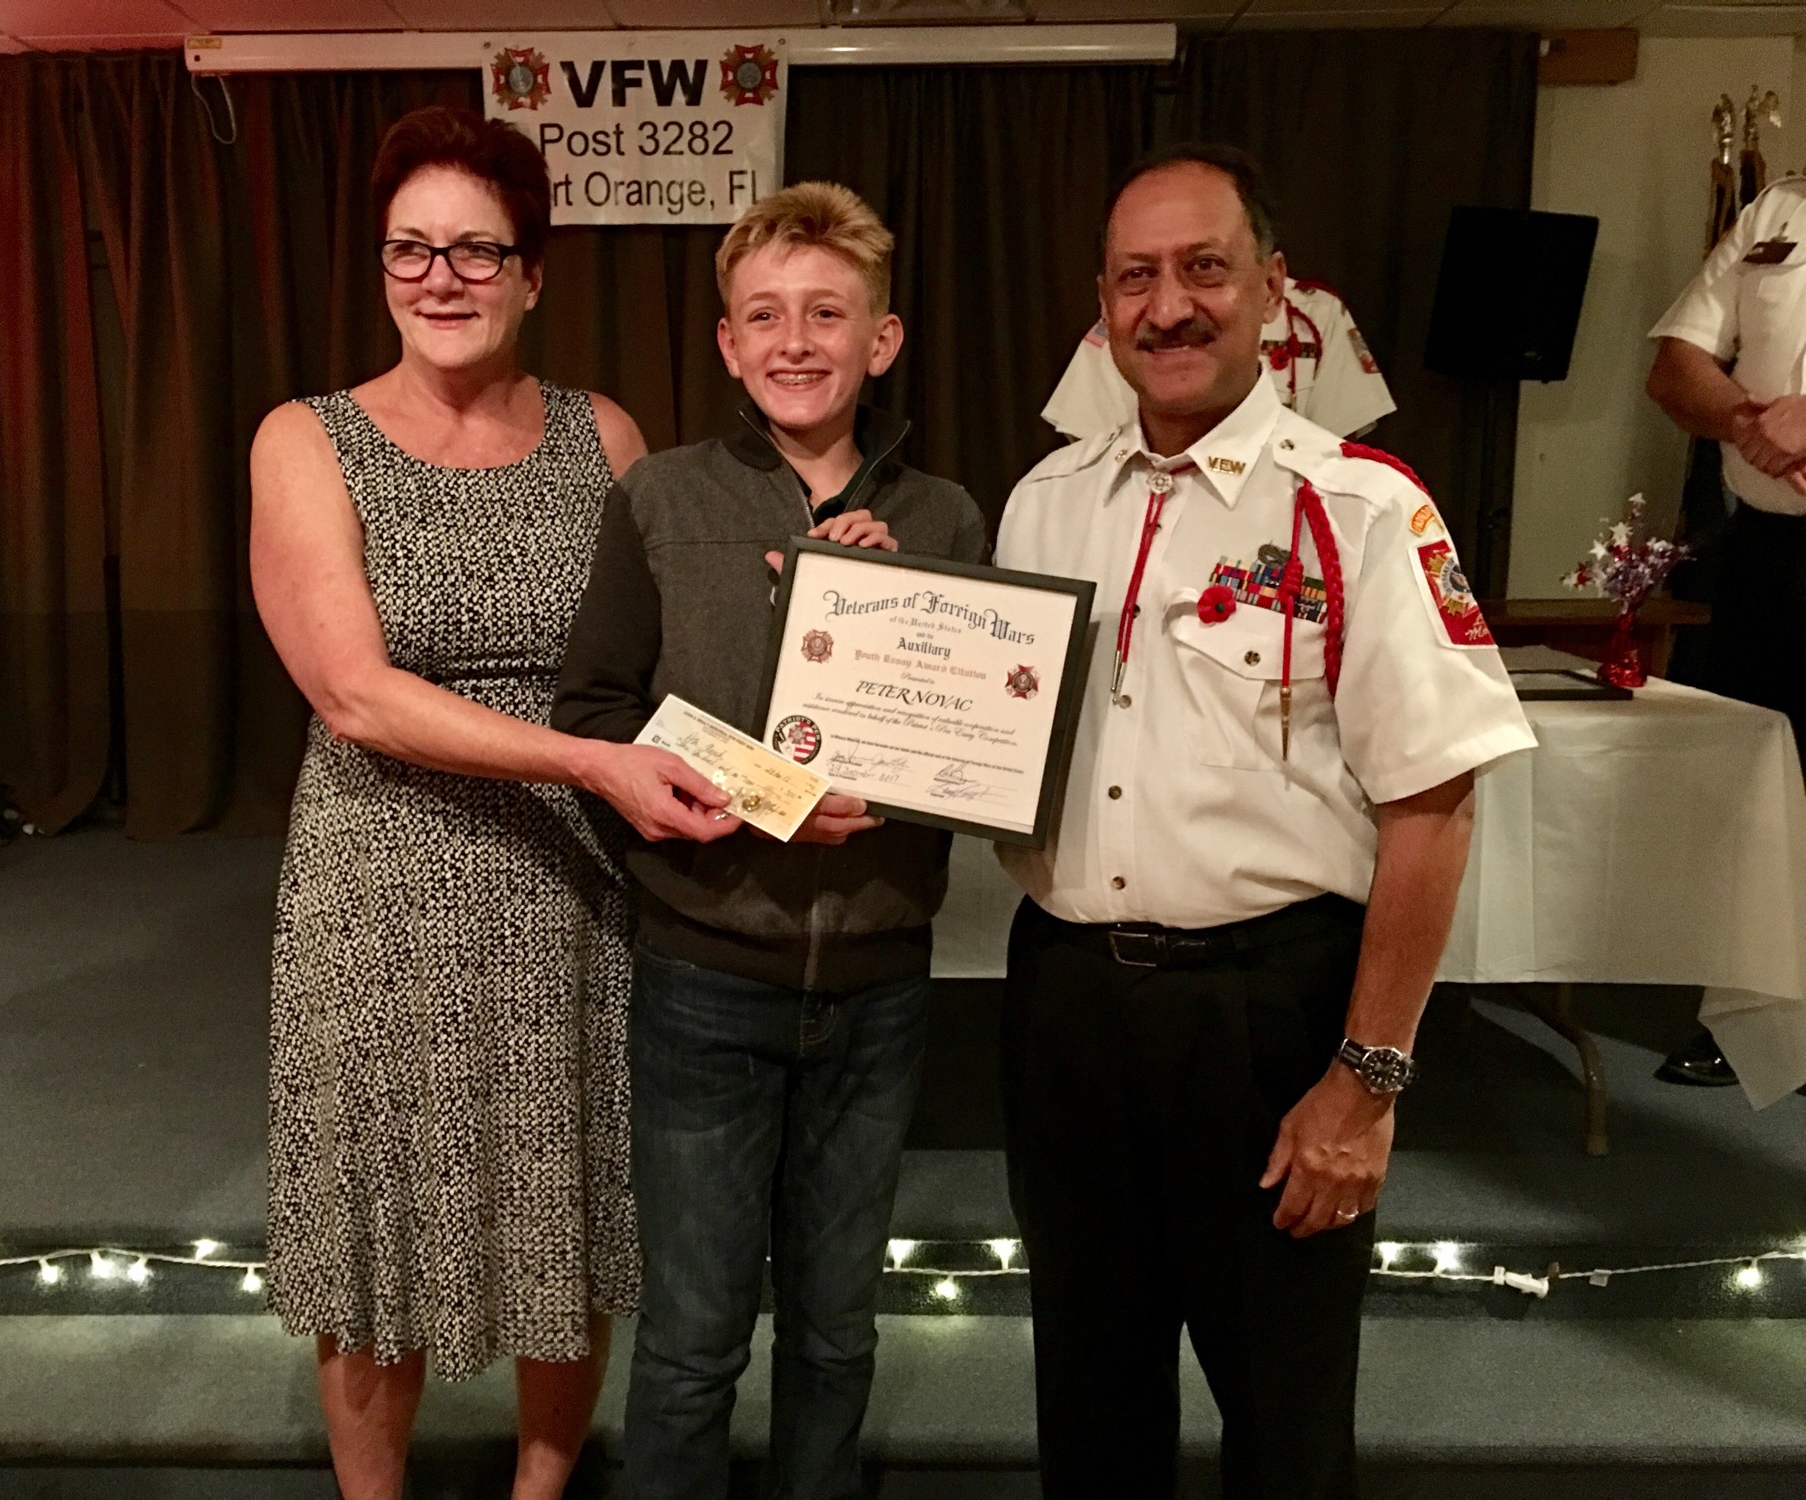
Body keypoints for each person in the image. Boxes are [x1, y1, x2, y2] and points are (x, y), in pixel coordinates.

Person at [991, 143, 1534, 1499]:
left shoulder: (1357, 507)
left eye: (1203, 269)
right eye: (1136, 278)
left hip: (1271, 1016)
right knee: (1090, 1411)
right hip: (1065, 1007)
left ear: (1271, 291)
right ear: (1102, 304)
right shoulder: (1042, 503)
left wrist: (1368, 1080)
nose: (1168, 307)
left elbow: (1435, 803)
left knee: (1285, 1422)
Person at [249, 107, 737, 1500]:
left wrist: (828, 591)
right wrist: (590, 763)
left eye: (476, 249)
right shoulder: (308, 440)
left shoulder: (606, 434)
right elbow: (353, 693)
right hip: (382, 885)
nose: (441, 277)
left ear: (534, 272)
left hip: (572, 891)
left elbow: (682, 643)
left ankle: (542, 1492)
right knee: (376, 1225)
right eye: (412, 249)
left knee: (562, 1207)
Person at [552, 182, 986, 1500]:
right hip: (704, 977)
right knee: (688, 1340)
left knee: (838, 1330)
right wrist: (717, 788)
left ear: (884, 339)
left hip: (880, 987)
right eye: (765, 318)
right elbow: (593, 718)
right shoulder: (663, 503)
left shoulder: (951, 522)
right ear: (730, 346)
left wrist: (893, 609)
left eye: (828, 314)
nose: (798, 342)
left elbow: (986, 751)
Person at [1645, 174, 1806, 1088]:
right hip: (1769, 559)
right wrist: (1755, 426)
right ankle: (1752, 1027)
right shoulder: (1777, 212)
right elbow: (1675, 364)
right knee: (1758, 797)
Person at [1041, 274, 1395, 443]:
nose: (1169, 314)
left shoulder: (1315, 314)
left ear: (1270, 283)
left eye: (1205, 263)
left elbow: (1341, 447)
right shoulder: (1125, 326)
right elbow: (1087, 443)